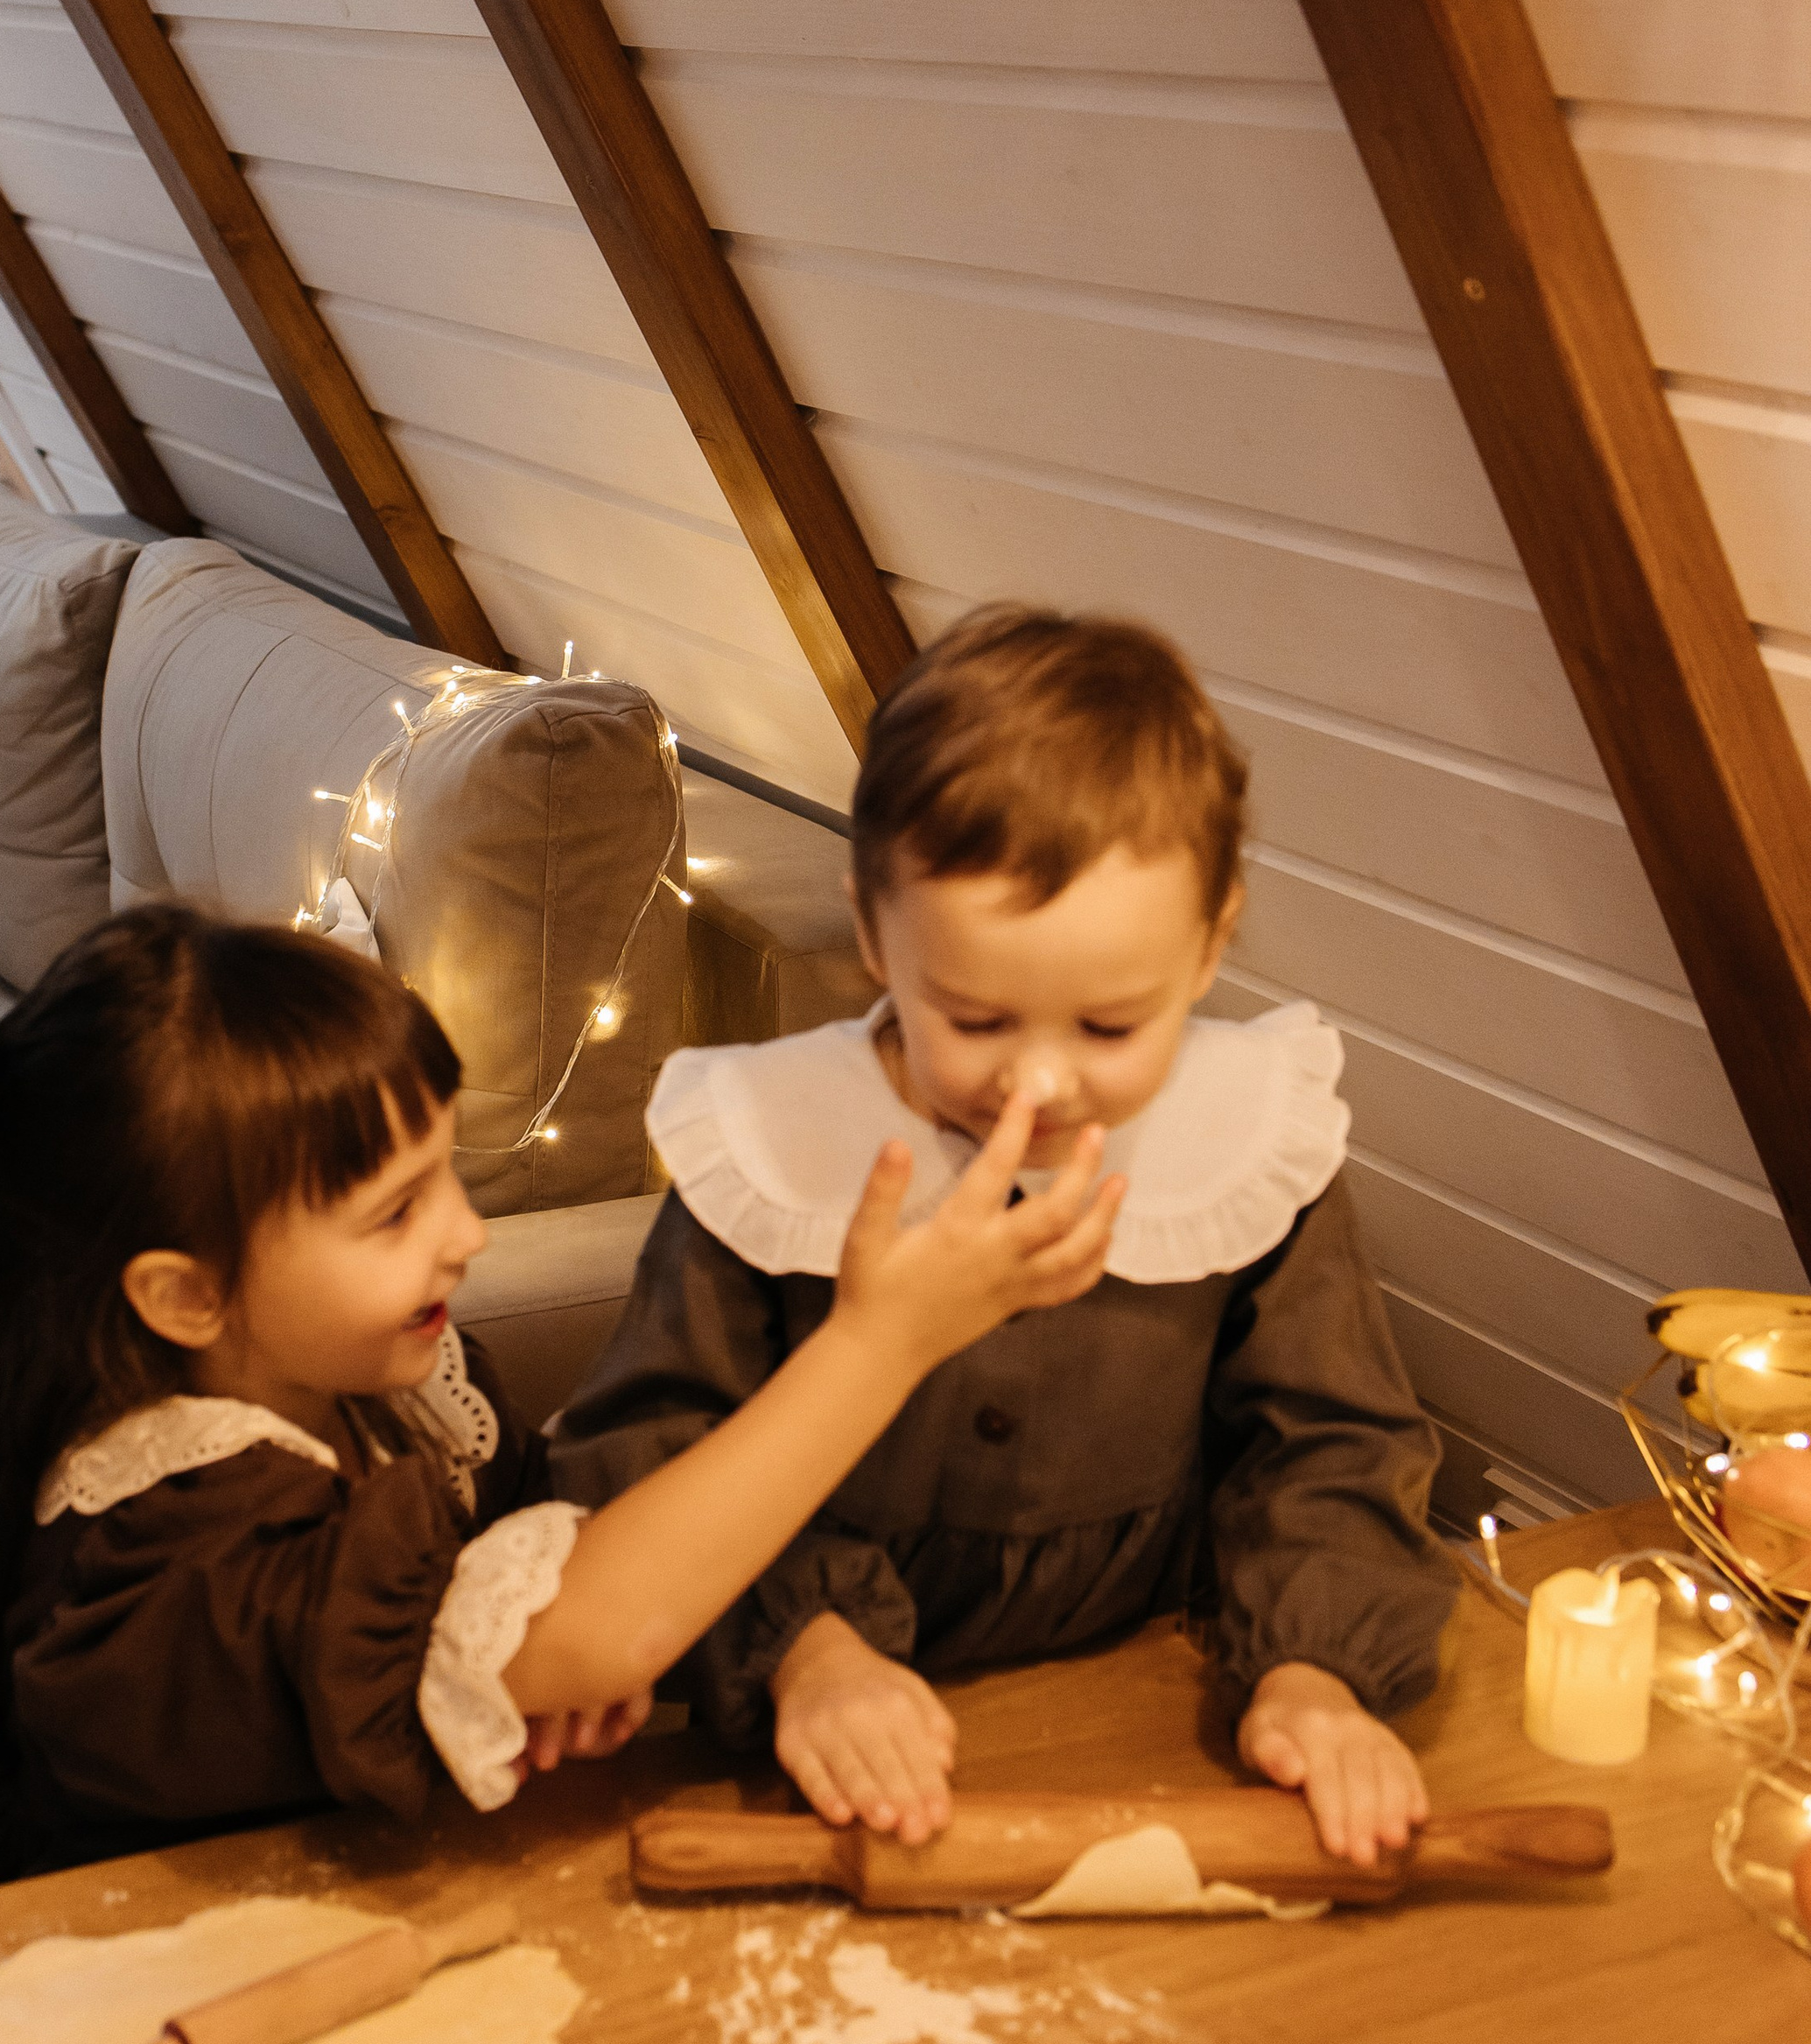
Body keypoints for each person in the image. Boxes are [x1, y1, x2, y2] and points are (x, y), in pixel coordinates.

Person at [0, 898, 1118, 1906]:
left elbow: (561, 1588)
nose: (466, 1235)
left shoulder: (375, 1403)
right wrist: (881, 1344)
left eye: (447, 1177)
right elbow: (596, 1625)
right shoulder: (159, 1563)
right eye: (394, 1213)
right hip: (119, 1998)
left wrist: (549, 1666)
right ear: (186, 1299)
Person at [547, 608, 1457, 1869]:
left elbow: (1333, 1443)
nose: (1039, 1087)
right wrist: (810, 1648)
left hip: (1149, 1710)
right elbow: (649, 1449)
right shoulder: (769, 1140)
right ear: (876, 938)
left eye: (1108, 1027)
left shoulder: (1256, 1136)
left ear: (1211, 942)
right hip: (811, 1734)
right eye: (973, 1019)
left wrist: (1312, 1671)